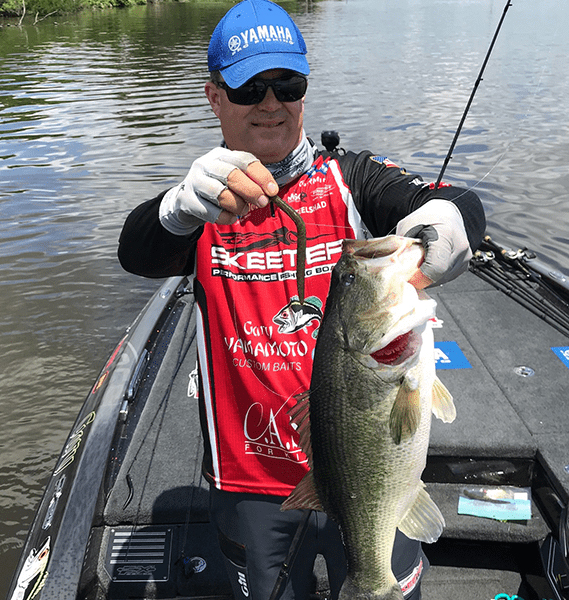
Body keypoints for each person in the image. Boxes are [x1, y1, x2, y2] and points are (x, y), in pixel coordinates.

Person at [118, 0, 486, 598]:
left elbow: (459, 203)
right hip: (249, 477)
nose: (270, 103)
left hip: (372, 464)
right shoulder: (201, 205)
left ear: (305, 91)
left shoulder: (353, 177)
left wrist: (436, 230)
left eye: (286, 84)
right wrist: (179, 205)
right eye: (249, 87)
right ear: (215, 98)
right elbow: (136, 251)